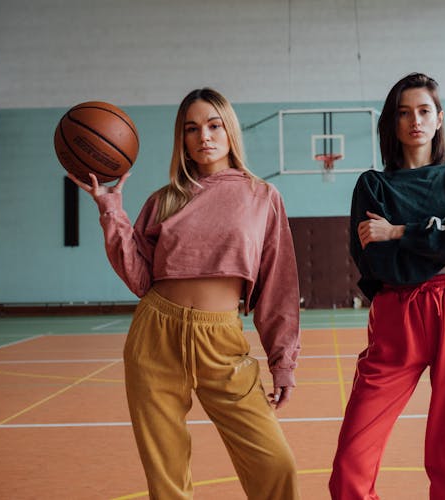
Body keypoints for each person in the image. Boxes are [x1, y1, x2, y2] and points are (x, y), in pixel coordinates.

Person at [68, 88, 301, 500]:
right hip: (155, 337)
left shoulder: (262, 197)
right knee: (168, 477)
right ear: (182, 140)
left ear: (230, 130)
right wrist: (111, 210)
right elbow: (140, 280)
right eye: (191, 129)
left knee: (275, 463)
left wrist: (283, 364)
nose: (204, 136)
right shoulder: (164, 200)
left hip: (222, 342)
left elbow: (278, 289)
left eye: (214, 125)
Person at [329, 73, 445, 500]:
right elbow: (376, 260)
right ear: (391, 122)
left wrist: (399, 231)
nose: (414, 121)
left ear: (439, 119)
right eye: (403, 113)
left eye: (423, 111)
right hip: (395, 313)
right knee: (352, 459)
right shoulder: (373, 185)